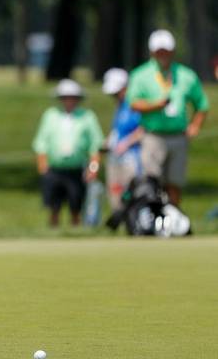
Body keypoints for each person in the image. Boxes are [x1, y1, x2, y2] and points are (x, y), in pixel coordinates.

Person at [127, 29, 210, 206]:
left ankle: (173, 220)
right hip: (152, 136)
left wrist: (195, 126)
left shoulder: (186, 75)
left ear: (172, 52)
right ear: (152, 52)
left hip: (178, 136)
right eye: (159, 51)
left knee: (174, 183)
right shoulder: (141, 75)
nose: (163, 55)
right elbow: (133, 103)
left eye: (166, 51)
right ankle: (154, 219)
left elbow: (202, 105)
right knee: (152, 181)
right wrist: (156, 105)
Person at [33, 79, 104, 227]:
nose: (69, 100)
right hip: (54, 169)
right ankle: (53, 231)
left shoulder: (87, 116)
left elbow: (95, 145)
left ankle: (75, 231)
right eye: (65, 97)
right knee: (54, 206)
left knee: (76, 204)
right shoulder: (51, 115)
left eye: (72, 97)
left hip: (76, 169)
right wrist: (43, 165)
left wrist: (93, 168)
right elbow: (40, 143)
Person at [102, 68, 144, 211]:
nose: (114, 96)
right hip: (116, 156)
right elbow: (118, 130)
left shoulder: (135, 104)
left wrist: (126, 143)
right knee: (115, 191)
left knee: (130, 191)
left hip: (132, 156)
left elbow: (143, 129)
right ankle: (120, 219)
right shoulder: (119, 106)